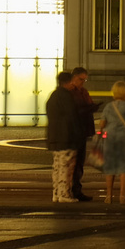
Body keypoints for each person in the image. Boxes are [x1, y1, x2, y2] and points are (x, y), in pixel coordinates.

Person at [45, 70, 84, 203]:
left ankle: (56, 193)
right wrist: (77, 135)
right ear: (69, 81)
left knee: (57, 166)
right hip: (66, 138)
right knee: (66, 167)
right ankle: (64, 194)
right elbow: (71, 117)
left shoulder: (54, 96)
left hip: (55, 137)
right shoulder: (66, 96)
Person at [98, 80, 125, 203]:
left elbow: (102, 123)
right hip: (124, 139)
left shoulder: (108, 106)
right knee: (124, 168)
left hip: (110, 138)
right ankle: (122, 196)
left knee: (110, 167)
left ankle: (109, 196)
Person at [68, 67, 95, 201]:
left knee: (79, 163)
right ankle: (71, 190)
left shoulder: (83, 92)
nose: (83, 82)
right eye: (81, 79)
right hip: (74, 131)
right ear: (73, 78)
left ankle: (77, 189)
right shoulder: (70, 92)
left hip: (82, 131)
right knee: (72, 162)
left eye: (85, 80)